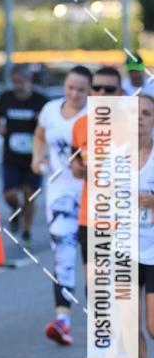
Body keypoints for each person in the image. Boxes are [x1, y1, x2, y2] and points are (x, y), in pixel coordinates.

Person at [31, 66, 90, 345]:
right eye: (70, 88)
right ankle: (63, 320)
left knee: (93, 260)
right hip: (59, 192)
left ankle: (101, 325)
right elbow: (40, 135)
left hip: (93, 194)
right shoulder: (50, 109)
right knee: (63, 255)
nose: (75, 94)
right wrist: (37, 158)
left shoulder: (97, 115)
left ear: (89, 90)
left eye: (81, 89)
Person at [71, 67, 124, 280]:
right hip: (90, 218)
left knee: (124, 289)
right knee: (96, 286)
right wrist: (76, 167)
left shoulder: (135, 124)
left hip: (126, 219)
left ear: (120, 93)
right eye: (97, 88)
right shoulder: (80, 125)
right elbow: (74, 157)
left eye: (109, 89)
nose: (102, 93)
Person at [0, 65, 46, 243]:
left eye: (21, 82)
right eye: (14, 82)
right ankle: (16, 210)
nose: (18, 86)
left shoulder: (40, 100)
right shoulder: (6, 98)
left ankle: (26, 229)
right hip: (11, 157)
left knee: (29, 194)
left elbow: (48, 125)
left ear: (29, 80)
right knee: (9, 194)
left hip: (34, 157)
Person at [130, 94, 154, 358]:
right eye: (134, 113)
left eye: (147, 113)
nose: (139, 118)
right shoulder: (113, 158)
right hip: (126, 249)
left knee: (153, 325)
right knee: (128, 323)